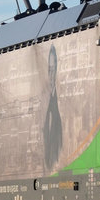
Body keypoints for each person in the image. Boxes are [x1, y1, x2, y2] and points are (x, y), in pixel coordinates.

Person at [42, 45, 62, 173]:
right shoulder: (43, 96)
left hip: (56, 157)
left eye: (54, 68)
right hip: (47, 161)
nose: (52, 73)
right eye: (50, 69)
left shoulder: (60, 95)